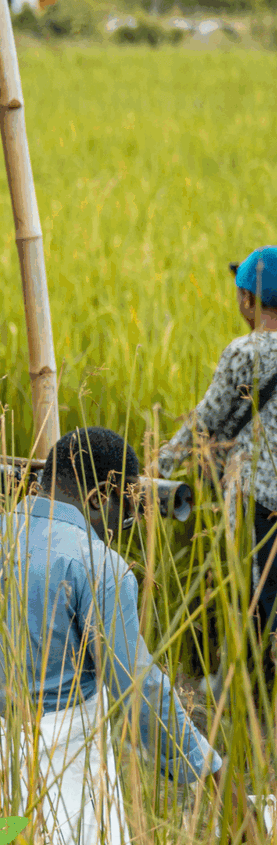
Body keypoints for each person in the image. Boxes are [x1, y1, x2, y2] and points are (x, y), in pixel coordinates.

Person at [0, 427, 225, 845]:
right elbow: (139, 688)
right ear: (96, 498)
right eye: (123, 513)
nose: (120, 528)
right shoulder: (98, 564)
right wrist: (207, 769)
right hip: (58, 765)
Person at [158, 246, 277, 699]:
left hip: (253, 503)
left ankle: (241, 694)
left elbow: (204, 422)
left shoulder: (243, 353)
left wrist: (154, 469)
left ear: (247, 300)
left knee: (249, 598)